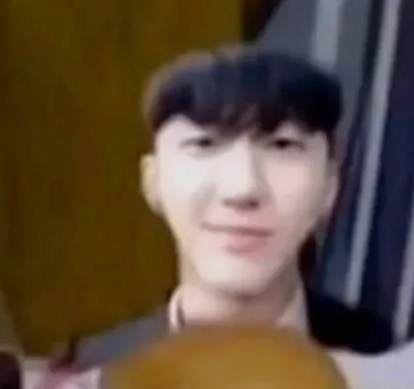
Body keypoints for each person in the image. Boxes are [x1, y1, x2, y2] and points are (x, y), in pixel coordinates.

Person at [68, 44, 394, 369]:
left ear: (329, 185)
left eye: (282, 145)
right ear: (152, 181)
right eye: (204, 144)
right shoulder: (91, 375)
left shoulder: (388, 367)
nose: (243, 188)